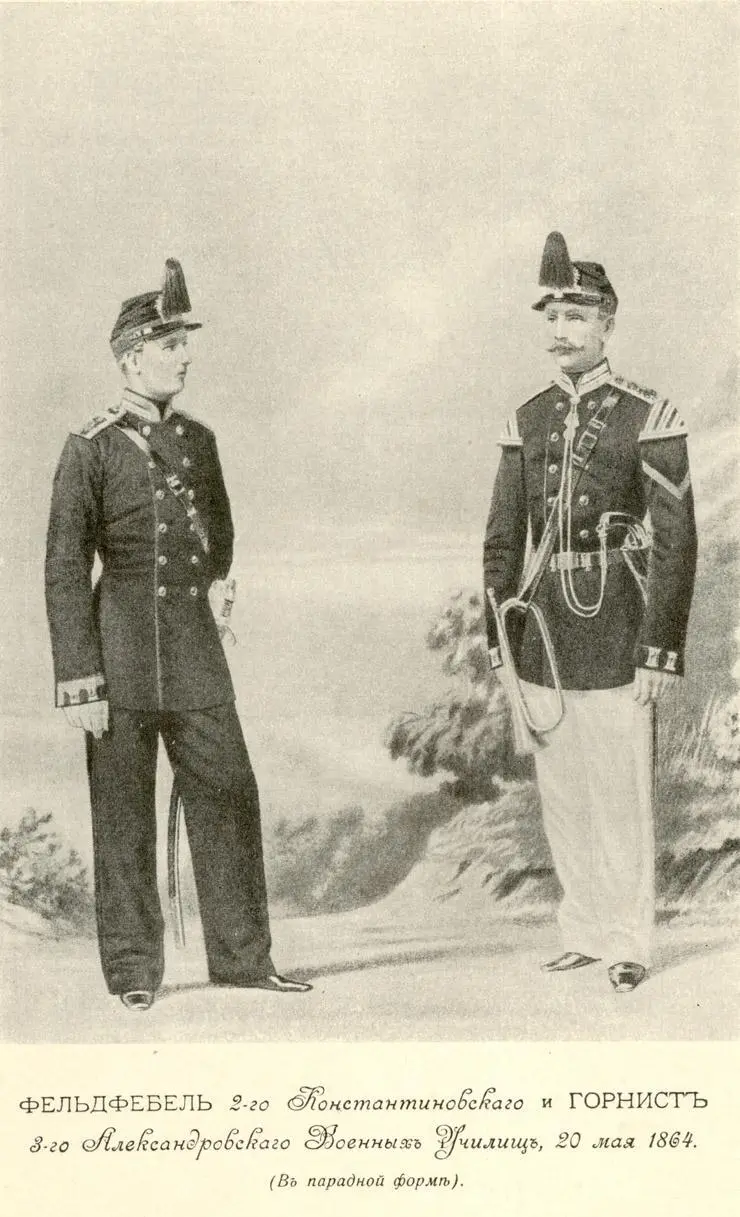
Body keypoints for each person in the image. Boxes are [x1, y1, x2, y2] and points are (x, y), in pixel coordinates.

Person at [45, 258, 311, 1010]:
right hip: (120, 652)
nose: (186, 356)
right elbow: (65, 566)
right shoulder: (91, 447)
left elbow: (219, 535)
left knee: (229, 795)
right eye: (171, 345)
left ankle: (244, 959)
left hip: (194, 650)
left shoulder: (199, 440)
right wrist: (80, 677)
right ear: (133, 357)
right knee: (123, 814)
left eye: (185, 342)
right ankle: (133, 972)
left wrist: (218, 584)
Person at [483, 232, 697, 992]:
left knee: (620, 796)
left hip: (616, 625)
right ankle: (582, 929)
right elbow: (502, 539)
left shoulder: (649, 413)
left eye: (576, 316)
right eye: (552, 317)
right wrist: (499, 641)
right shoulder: (528, 416)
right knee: (565, 797)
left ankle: (629, 939)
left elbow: (676, 540)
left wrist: (659, 648)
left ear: (607, 323)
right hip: (542, 632)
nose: (561, 331)